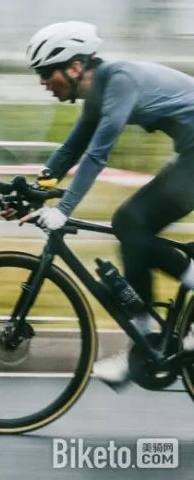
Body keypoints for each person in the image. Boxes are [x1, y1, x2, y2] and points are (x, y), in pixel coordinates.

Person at [17, 21, 194, 389]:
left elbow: (99, 153)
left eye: (47, 73)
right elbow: (72, 148)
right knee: (130, 225)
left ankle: (142, 342)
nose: (43, 83)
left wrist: (64, 209)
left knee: (130, 221)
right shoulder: (100, 92)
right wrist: (34, 189)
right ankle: (144, 343)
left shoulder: (120, 80)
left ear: (76, 67)